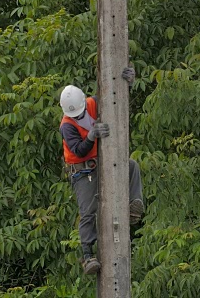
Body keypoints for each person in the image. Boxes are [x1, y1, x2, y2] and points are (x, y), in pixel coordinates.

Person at [59, 67, 144, 275]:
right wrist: (91, 135)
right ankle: (88, 256)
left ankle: (134, 205)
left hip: (101, 162)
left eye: (80, 113)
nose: (79, 117)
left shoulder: (91, 104)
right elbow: (78, 150)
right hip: (82, 171)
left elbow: (113, 96)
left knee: (131, 165)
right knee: (88, 211)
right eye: (75, 115)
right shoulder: (67, 125)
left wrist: (126, 82)